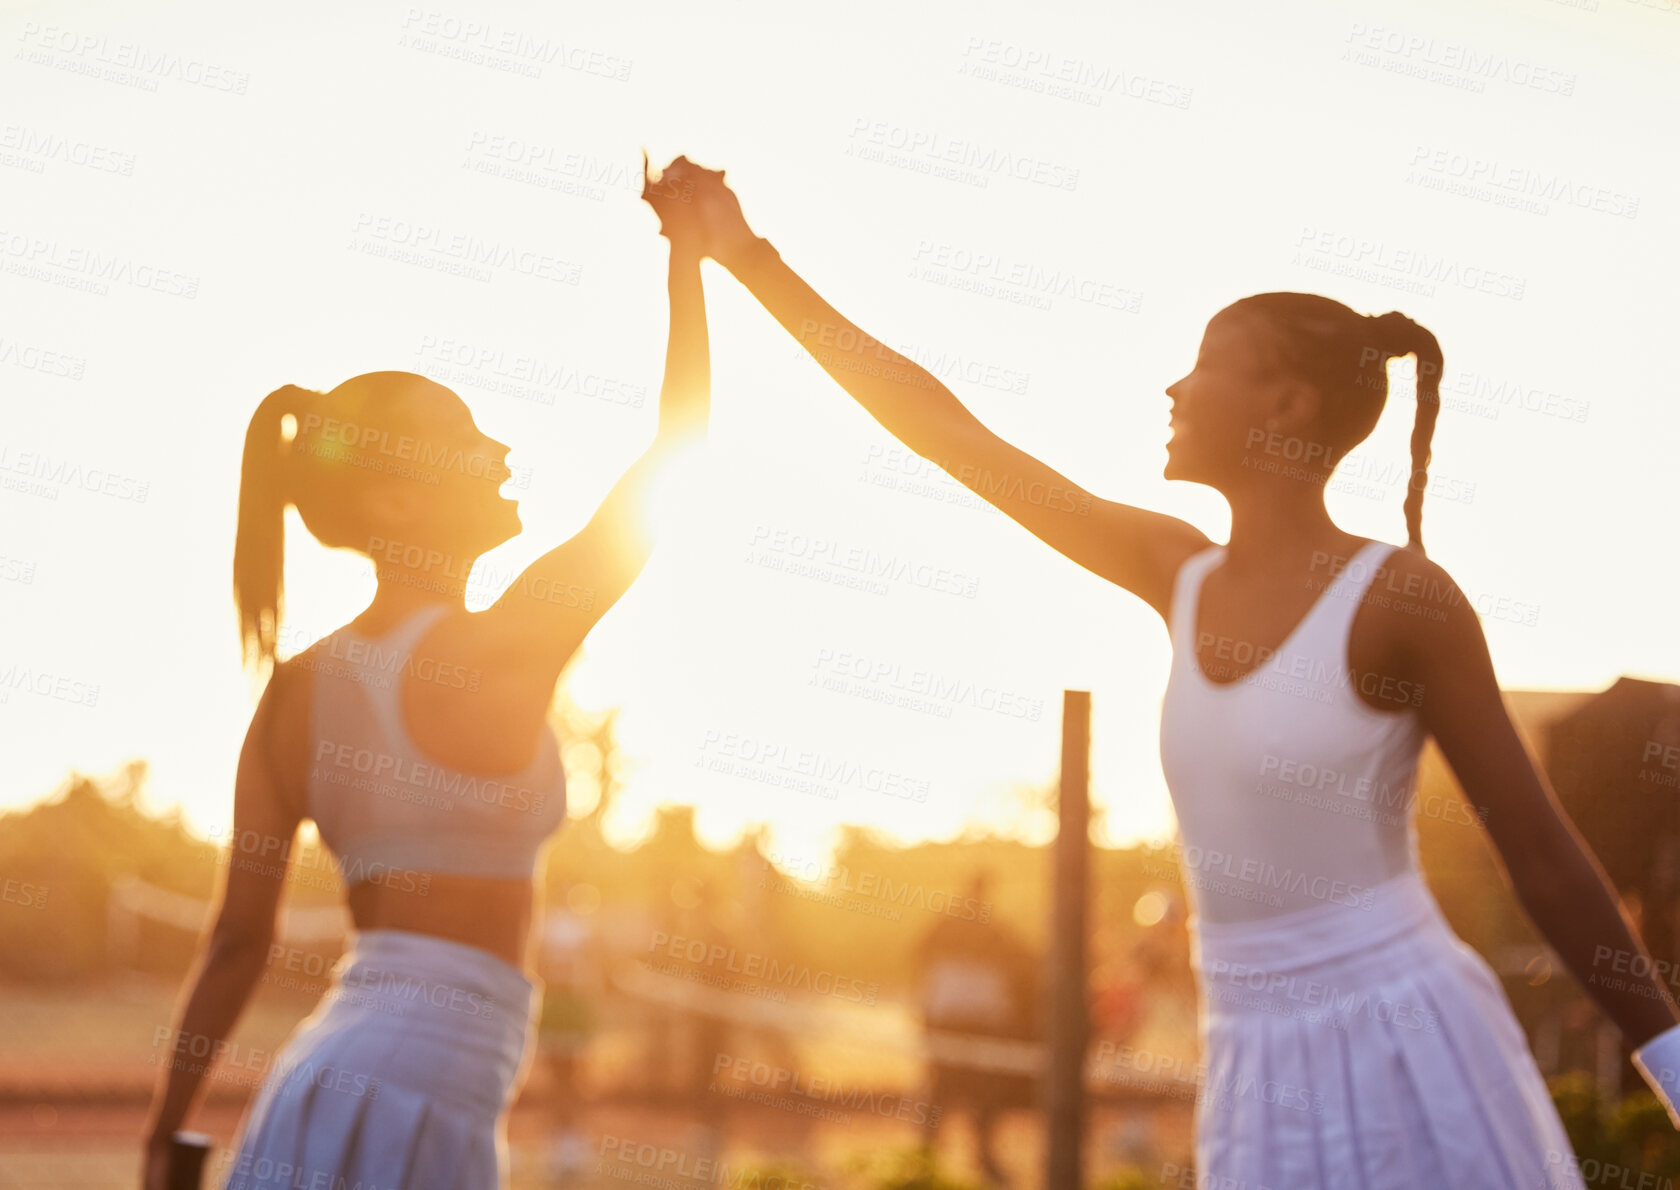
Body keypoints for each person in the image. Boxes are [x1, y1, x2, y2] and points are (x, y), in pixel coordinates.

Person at [674, 167, 1680, 1187]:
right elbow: (952, 439)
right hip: (1249, 1056)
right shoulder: (1177, 572)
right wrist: (748, 256)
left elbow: (1544, 854)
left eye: (1204, 366)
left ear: (1285, 403)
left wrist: (1675, 1065)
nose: (1174, 387)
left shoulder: (1399, 599)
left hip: (1403, 1037)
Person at [139, 156, 717, 1190]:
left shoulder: (295, 691)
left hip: (322, 1093)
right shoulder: (501, 642)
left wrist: (166, 1135)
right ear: (399, 504)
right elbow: (680, 446)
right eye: (462, 439)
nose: (498, 449)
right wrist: (689, 256)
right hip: (413, 1098)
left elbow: (236, 940)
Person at [913, 872, 1036, 1188]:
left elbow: (1019, 965)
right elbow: (920, 961)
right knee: (945, 1089)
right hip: (954, 1018)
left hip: (975, 1021)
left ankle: (977, 1157)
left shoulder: (990, 928)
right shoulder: (955, 926)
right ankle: (925, 1161)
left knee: (978, 1092)